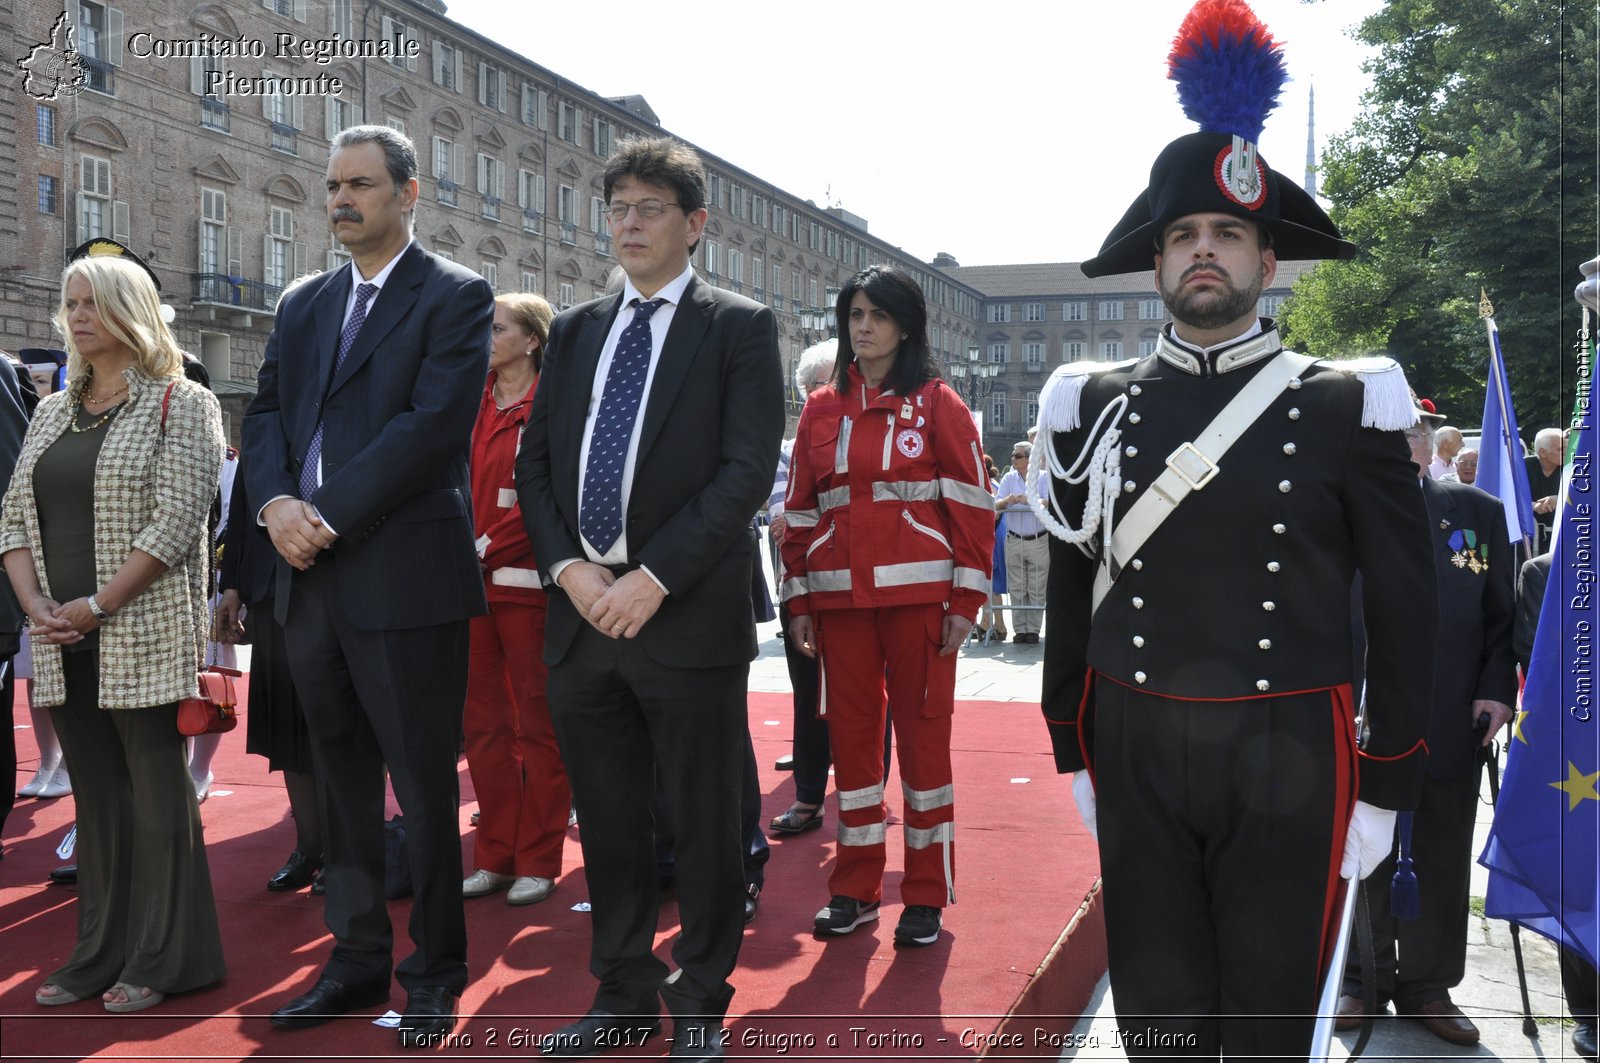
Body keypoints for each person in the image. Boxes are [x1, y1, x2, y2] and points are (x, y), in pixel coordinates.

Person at [1033, 5, 1435, 1055]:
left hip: (1288, 748)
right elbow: (1074, 583)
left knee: (1266, 1027)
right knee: (1157, 1025)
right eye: (1181, 237)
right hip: (1132, 742)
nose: (1201, 254)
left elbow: (1404, 609)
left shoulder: (1348, 402)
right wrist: (1068, 745)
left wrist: (1387, 780)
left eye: (1225, 235)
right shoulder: (1095, 402)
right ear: (1156, 260)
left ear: (1268, 257)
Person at [515, 136, 782, 1060]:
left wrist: (650, 577)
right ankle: (622, 990)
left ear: (695, 225)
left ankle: (700, 995)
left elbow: (744, 472)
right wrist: (572, 571)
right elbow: (536, 461)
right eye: (619, 206)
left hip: (684, 616)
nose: (629, 223)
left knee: (705, 822)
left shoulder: (738, 328)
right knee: (614, 821)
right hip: (582, 619)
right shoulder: (582, 328)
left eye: (650, 208)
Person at [244, 125, 492, 1047]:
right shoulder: (305, 301)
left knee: (423, 788)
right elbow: (265, 407)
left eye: (360, 184)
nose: (341, 199)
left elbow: (430, 431)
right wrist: (273, 505)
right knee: (339, 784)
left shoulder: (455, 296)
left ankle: (433, 973)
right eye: (333, 184)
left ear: (408, 193)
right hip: (307, 579)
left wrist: (322, 514)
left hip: (403, 577)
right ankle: (352, 960)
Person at [2, 244, 226, 1012]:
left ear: (130, 310)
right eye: (71, 304)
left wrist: (96, 603)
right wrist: (36, 604)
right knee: (95, 801)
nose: (78, 317)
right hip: (62, 637)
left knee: (158, 795)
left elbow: (176, 521)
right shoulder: (50, 408)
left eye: (93, 302)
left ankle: (169, 958)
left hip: (140, 629)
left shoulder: (180, 400)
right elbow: (13, 516)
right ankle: (98, 952)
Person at [781, 265, 993, 948]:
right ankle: (855, 887)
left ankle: (926, 894)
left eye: (876, 315)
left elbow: (971, 507)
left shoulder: (938, 403)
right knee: (853, 750)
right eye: (854, 315)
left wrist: (966, 597)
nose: (863, 327)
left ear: (905, 325)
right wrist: (800, 597)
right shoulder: (819, 408)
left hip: (920, 608)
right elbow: (802, 509)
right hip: (839, 604)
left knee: (926, 750)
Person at [1335, 408, 1514, 1043]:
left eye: (1412, 432)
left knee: (1439, 847)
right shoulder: (1332, 506)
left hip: (1450, 709)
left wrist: (1496, 691)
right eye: (1389, 433)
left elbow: (1501, 615)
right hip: (1359, 712)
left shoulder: (1476, 511)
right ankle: (1361, 980)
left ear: (1427, 443)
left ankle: (1428, 986)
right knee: (1362, 848)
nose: (1404, 442)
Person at [460, 291, 572, 907]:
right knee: (483, 728)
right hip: (467, 588)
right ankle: (495, 855)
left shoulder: (550, 408)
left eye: (497, 327)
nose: (486, 337)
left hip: (527, 592)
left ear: (532, 340)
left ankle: (538, 858)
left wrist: (481, 545)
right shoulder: (469, 402)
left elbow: (543, 498)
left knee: (537, 727)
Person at [994, 441, 1047, 643]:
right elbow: (996, 504)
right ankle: (1020, 630)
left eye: (1017, 456)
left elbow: (1051, 502)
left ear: (1029, 458)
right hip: (1014, 538)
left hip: (1038, 538)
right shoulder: (1008, 477)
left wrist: (1033, 500)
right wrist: (1008, 499)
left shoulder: (1043, 478)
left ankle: (1033, 630)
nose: (1013, 459)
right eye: (1013, 456)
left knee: (1036, 585)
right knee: (1016, 586)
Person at [1526, 426, 1565, 537]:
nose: (1566, 452)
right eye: (1560, 449)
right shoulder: (1522, 468)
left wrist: (1559, 500)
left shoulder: (1574, 469)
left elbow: (1587, 497)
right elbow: (1509, 497)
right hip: (1530, 540)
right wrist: (1533, 506)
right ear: (1543, 452)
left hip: (1562, 538)